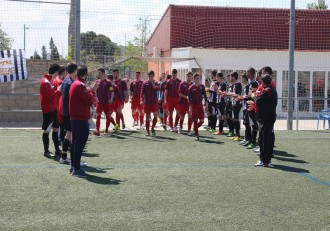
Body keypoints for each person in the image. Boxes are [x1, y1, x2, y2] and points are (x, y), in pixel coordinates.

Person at [69, 66, 99, 177]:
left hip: (76, 118)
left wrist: (90, 91)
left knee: (75, 144)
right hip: (80, 118)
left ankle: (73, 166)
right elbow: (87, 101)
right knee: (79, 145)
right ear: (85, 75)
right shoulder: (79, 85)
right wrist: (93, 91)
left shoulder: (75, 84)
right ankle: (76, 168)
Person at [253, 74, 278, 167]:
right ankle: (267, 159)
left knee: (264, 140)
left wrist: (254, 96)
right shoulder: (272, 90)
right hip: (269, 117)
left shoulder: (267, 91)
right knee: (266, 139)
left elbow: (259, 102)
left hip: (266, 118)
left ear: (263, 82)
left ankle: (264, 160)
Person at [39, 63, 62, 157]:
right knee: (47, 130)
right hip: (48, 110)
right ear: (56, 72)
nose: (58, 74)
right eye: (58, 72)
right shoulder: (46, 82)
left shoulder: (50, 81)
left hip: (53, 109)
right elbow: (51, 97)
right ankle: (46, 151)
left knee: (56, 129)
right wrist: (59, 90)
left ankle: (57, 150)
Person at [60, 61, 77, 165]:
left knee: (68, 134)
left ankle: (64, 157)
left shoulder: (64, 81)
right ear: (75, 71)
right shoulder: (71, 83)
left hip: (65, 111)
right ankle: (74, 161)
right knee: (72, 135)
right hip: (71, 113)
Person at [93, 68, 115, 136]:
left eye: (99, 73)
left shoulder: (108, 82)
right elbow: (94, 90)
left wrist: (111, 98)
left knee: (108, 116)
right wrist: (95, 95)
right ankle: (97, 130)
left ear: (103, 73)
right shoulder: (97, 82)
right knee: (98, 116)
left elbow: (112, 92)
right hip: (99, 102)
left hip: (106, 102)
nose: (98, 74)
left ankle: (106, 130)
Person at [188, 73, 208, 141]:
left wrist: (206, 104)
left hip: (200, 105)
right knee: (195, 120)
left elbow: (205, 96)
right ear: (194, 79)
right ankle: (196, 135)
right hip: (194, 105)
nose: (198, 79)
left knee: (202, 121)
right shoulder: (191, 87)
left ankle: (194, 128)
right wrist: (190, 108)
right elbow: (189, 99)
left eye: (199, 78)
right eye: (197, 78)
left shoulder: (202, 86)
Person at [140, 70, 159, 136]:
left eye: (152, 76)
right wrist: (141, 100)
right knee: (147, 117)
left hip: (154, 102)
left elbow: (156, 88)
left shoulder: (156, 82)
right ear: (148, 76)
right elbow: (142, 93)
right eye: (150, 76)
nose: (151, 77)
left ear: (153, 76)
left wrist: (152, 83)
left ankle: (152, 128)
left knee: (156, 117)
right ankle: (147, 131)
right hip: (147, 102)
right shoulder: (145, 83)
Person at [227, 72, 242, 141]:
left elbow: (238, 95)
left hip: (237, 104)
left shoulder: (238, 84)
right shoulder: (234, 85)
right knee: (234, 119)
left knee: (236, 119)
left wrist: (228, 94)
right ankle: (236, 134)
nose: (230, 78)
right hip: (233, 103)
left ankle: (238, 135)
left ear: (233, 77)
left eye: (230, 77)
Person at [53, 65, 66, 144]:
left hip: (55, 104)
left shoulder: (55, 80)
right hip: (59, 105)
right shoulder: (60, 82)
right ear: (64, 72)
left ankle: (58, 140)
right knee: (60, 125)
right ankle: (60, 140)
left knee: (57, 125)